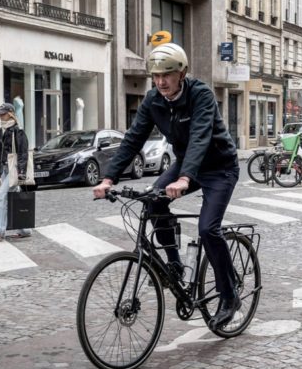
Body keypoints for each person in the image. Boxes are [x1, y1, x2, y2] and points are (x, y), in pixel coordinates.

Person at [92, 43, 242, 330]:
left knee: (208, 228)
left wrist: (184, 178)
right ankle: (174, 264)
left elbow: (200, 136)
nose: (161, 81)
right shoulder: (153, 100)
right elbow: (133, 139)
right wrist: (108, 178)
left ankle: (229, 295)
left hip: (219, 167)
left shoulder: (201, 95)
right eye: (156, 75)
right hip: (187, 164)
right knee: (153, 201)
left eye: (167, 75)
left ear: (182, 73)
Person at [0, 103, 32, 241]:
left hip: (15, 170)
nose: (0, 116)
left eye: (3, 114)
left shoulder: (18, 132)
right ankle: (25, 229)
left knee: (2, 197)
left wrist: (22, 172)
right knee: (15, 200)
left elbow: (23, 153)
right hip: (5, 170)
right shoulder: (1, 131)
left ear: (11, 113)